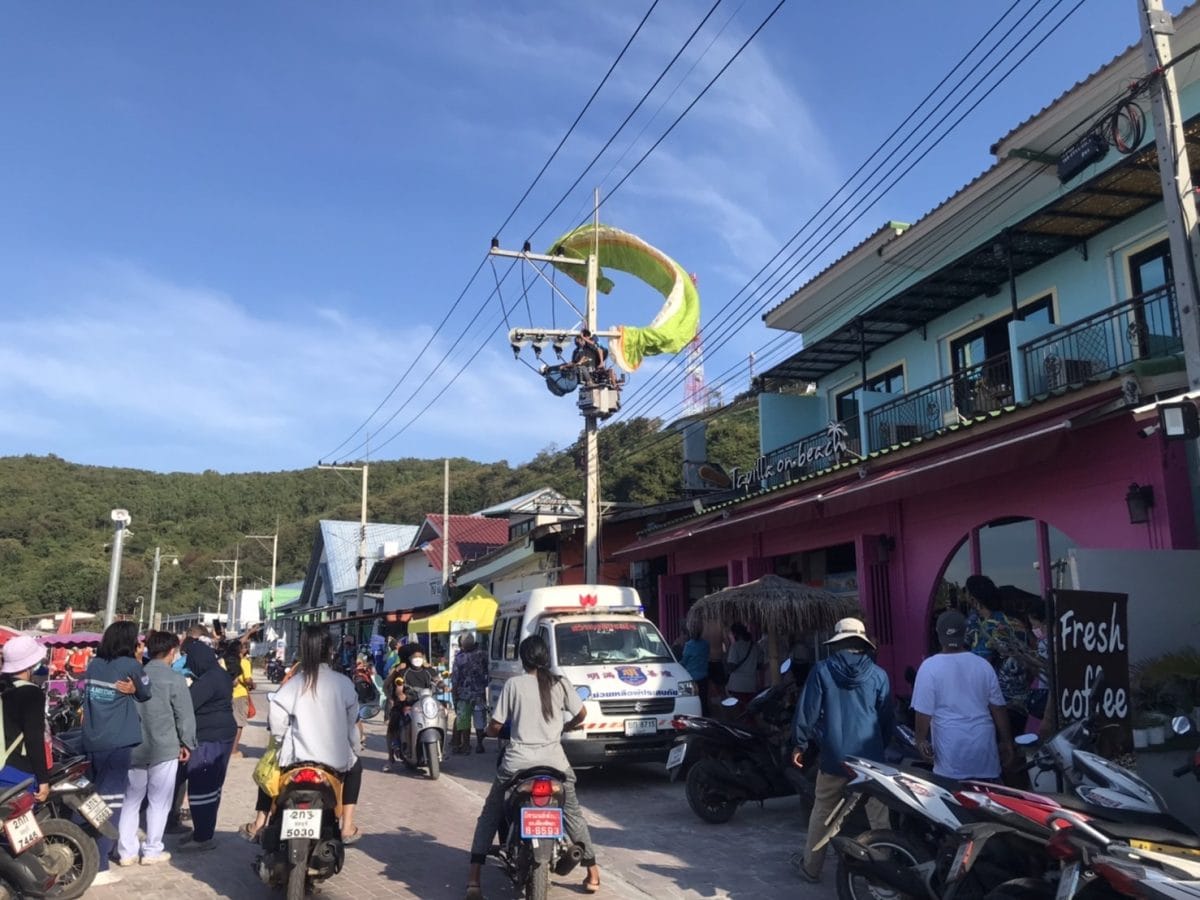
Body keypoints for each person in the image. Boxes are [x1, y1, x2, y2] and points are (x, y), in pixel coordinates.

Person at [465, 635, 599, 900]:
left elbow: (495, 725)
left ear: (522, 659)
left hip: (517, 765)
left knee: (491, 813)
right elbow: (582, 715)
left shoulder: (513, 684)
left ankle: (474, 880)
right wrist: (564, 727)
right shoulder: (560, 683)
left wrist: (492, 731)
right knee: (573, 815)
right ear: (545, 657)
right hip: (556, 764)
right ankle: (593, 874)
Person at [790, 618, 893, 883]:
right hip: (870, 760)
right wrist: (879, 748)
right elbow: (887, 720)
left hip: (835, 757)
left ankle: (811, 867)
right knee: (879, 816)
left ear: (838, 643)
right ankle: (887, 872)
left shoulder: (822, 670)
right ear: (862, 642)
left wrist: (800, 744)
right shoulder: (879, 675)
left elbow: (808, 711)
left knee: (822, 812)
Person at [246, 626, 361, 844]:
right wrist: (355, 749)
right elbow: (351, 727)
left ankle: (259, 823)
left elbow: (277, 722)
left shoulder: (293, 685)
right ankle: (347, 826)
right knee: (356, 768)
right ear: (330, 650)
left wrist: (279, 741)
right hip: (335, 762)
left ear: (303, 650)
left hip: (295, 759)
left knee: (270, 767)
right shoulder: (344, 684)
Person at [117, 631, 196, 867]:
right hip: (165, 747)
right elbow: (184, 716)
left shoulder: (133, 677)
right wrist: (187, 743)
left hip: (134, 748)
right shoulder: (175, 679)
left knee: (131, 800)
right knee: (159, 802)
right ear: (172, 652)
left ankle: (126, 852)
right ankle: (152, 850)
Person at [82, 621, 152, 885]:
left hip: (92, 741)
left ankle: (87, 852)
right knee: (110, 803)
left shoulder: (93, 665)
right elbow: (146, 693)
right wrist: (135, 688)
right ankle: (99, 865)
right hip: (118, 744)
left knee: (91, 800)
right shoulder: (131, 665)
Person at [913, 609, 1015, 781]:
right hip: (984, 754)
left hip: (950, 758)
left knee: (953, 798)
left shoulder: (929, 668)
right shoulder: (983, 665)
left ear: (938, 633)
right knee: (989, 797)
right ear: (965, 633)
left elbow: (923, 712)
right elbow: (998, 709)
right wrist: (1007, 742)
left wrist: (920, 740)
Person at [180, 638, 235, 851]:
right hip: (222, 735)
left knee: (201, 785)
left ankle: (203, 837)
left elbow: (188, 703)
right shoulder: (220, 674)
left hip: (209, 737)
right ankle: (203, 831)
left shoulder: (208, 680)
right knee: (212, 785)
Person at [0, 636, 53, 800]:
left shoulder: (4, 688)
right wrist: (43, 780)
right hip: (17, 769)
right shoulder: (31, 693)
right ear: (30, 665)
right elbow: (33, 738)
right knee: (24, 814)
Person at [452, 634, 489, 755]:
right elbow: (489, 671)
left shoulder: (459, 658)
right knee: (479, 720)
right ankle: (479, 744)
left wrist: (455, 694)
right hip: (479, 693)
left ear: (462, 644)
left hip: (463, 695)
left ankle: (466, 746)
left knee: (464, 721)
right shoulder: (483, 655)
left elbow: (455, 678)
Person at [226, 641, 255, 758]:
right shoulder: (244, 662)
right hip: (240, 695)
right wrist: (253, 685)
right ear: (241, 650)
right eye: (244, 647)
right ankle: (233, 750)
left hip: (227, 694)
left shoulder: (225, 661)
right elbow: (247, 680)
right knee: (239, 724)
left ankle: (227, 747)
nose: (246, 649)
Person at [724, 622, 762, 706]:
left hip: (737, 685)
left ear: (735, 634)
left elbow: (731, 666)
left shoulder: (735, 647)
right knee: (750, 709)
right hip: (751, 684)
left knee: (740, 709)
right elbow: (760, 665)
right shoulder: (756, 646)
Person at [679, 626, 711, 716]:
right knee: (703, 702)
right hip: (703, 677)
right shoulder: (706, 644)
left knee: (687, 702)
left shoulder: (688, 645)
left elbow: (684, 661)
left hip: (689, 678)